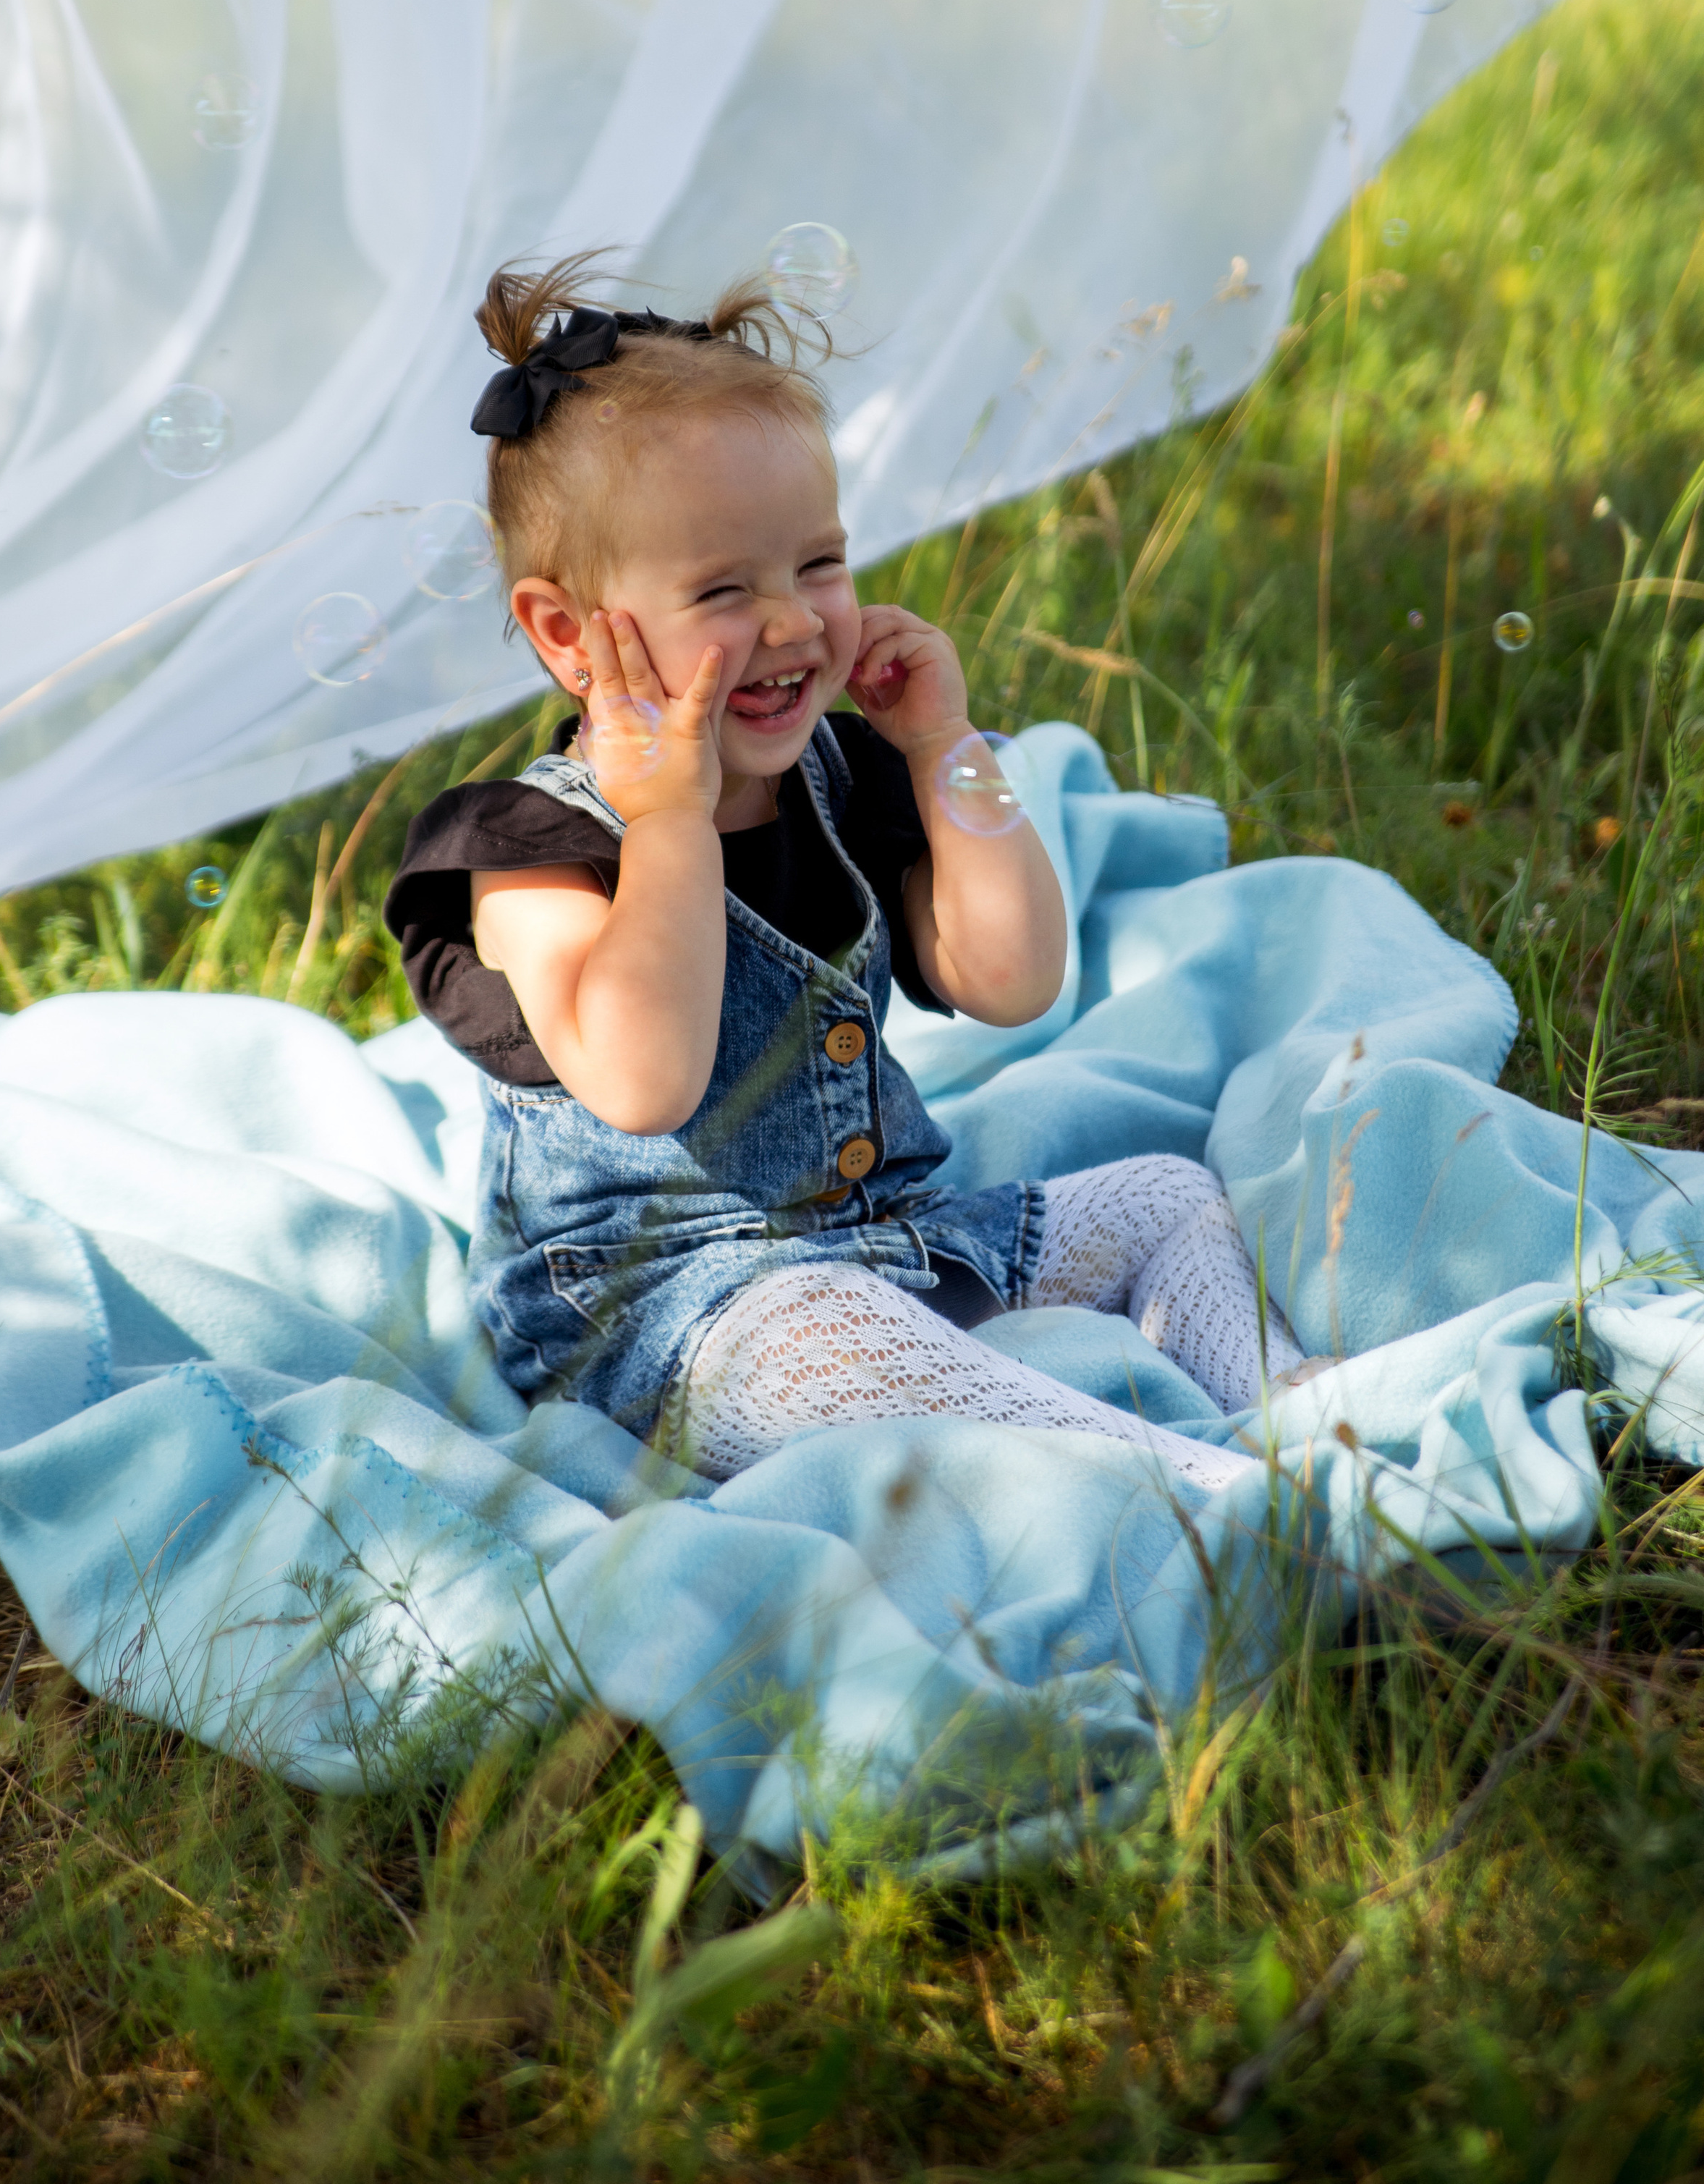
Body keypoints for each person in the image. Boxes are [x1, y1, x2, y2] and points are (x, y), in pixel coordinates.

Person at [386, 260, 1310, 1492]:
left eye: (817, 564)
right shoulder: (524, 849)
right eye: (724, 589)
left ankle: (1307, 1414)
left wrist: (944, 747)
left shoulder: (840, 773)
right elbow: (647, 1081)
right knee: (830, 1343)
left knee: (1164, 1194)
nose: (792, 623)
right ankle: (1196, 1490)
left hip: (893, 1241)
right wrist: (668, 819)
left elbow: (1013, 980)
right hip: (669, 1318)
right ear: (569, 633)